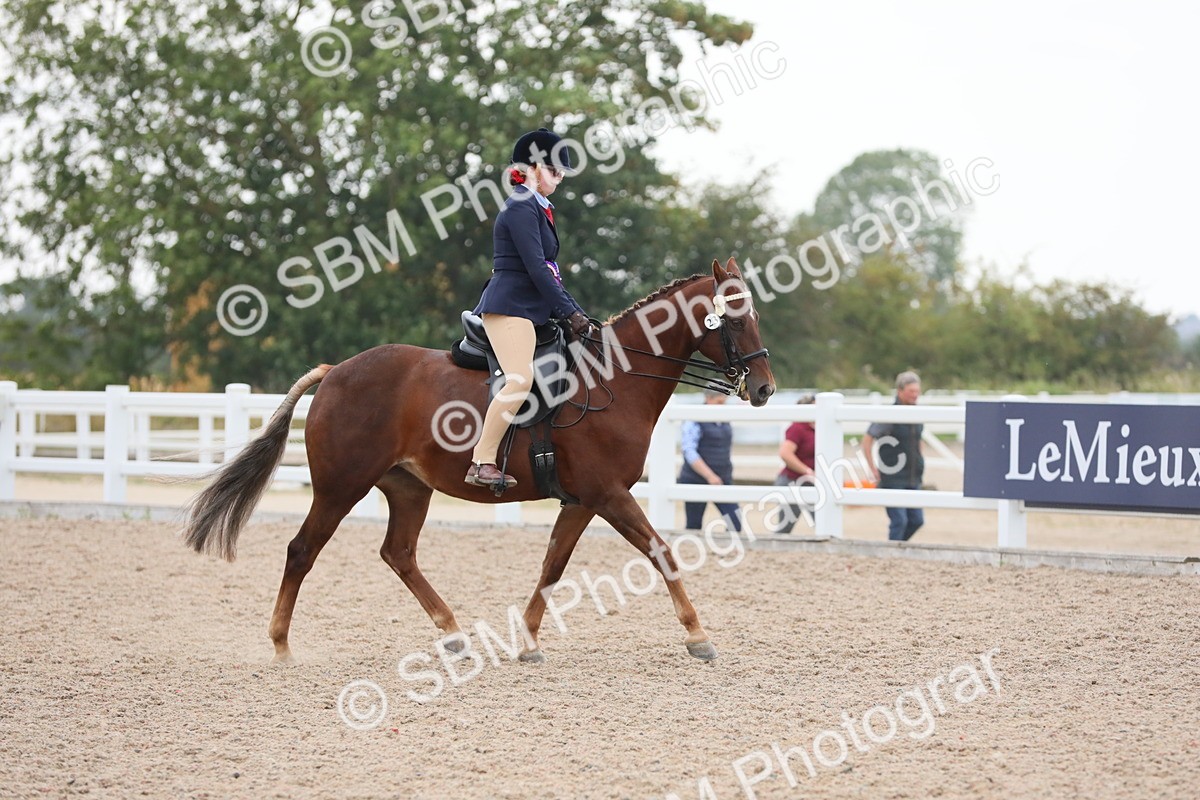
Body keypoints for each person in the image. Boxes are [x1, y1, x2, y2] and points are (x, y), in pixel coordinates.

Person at [465, 128, 594, 488]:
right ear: (536, 167)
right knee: (520, 380)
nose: (560, 178)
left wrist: (571, 310)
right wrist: (570, 313)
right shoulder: (522, 206)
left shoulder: (539, 208)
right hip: (510, 307)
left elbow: (548, 272)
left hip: (531, 309)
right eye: (555, 171)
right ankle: (482, 461)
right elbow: (537, 268)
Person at [862, 371, 925, 541]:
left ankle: (897, 547)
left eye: (917, 391)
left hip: (913, 476)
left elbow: (918, 440)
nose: (915, 395)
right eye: (911, 391)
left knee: (917, 520)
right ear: (900, 391)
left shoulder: (919, 414)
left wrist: (921, 460)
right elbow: (867, 440)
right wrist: (872, 468)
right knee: (899, 520)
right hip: (893, 476)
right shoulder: (888, 415)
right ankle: (893, 551)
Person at [678, 390, 743, 532]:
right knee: (694, 525)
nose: (722, 406)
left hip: (722, 478)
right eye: (719, 402)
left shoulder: (724, 418)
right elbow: (689, 451)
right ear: (708, 398)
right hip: (696, 478)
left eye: (724, 402)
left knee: (735, 521)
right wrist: (709, 476)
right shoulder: (694, 419)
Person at [768, 393, 817, 533]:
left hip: (811, 482)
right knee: (785, 526)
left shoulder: (820, 428)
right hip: (793, 480)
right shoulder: (798, 427)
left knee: (822, 519)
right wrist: (807, 471)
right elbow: (785, 453)